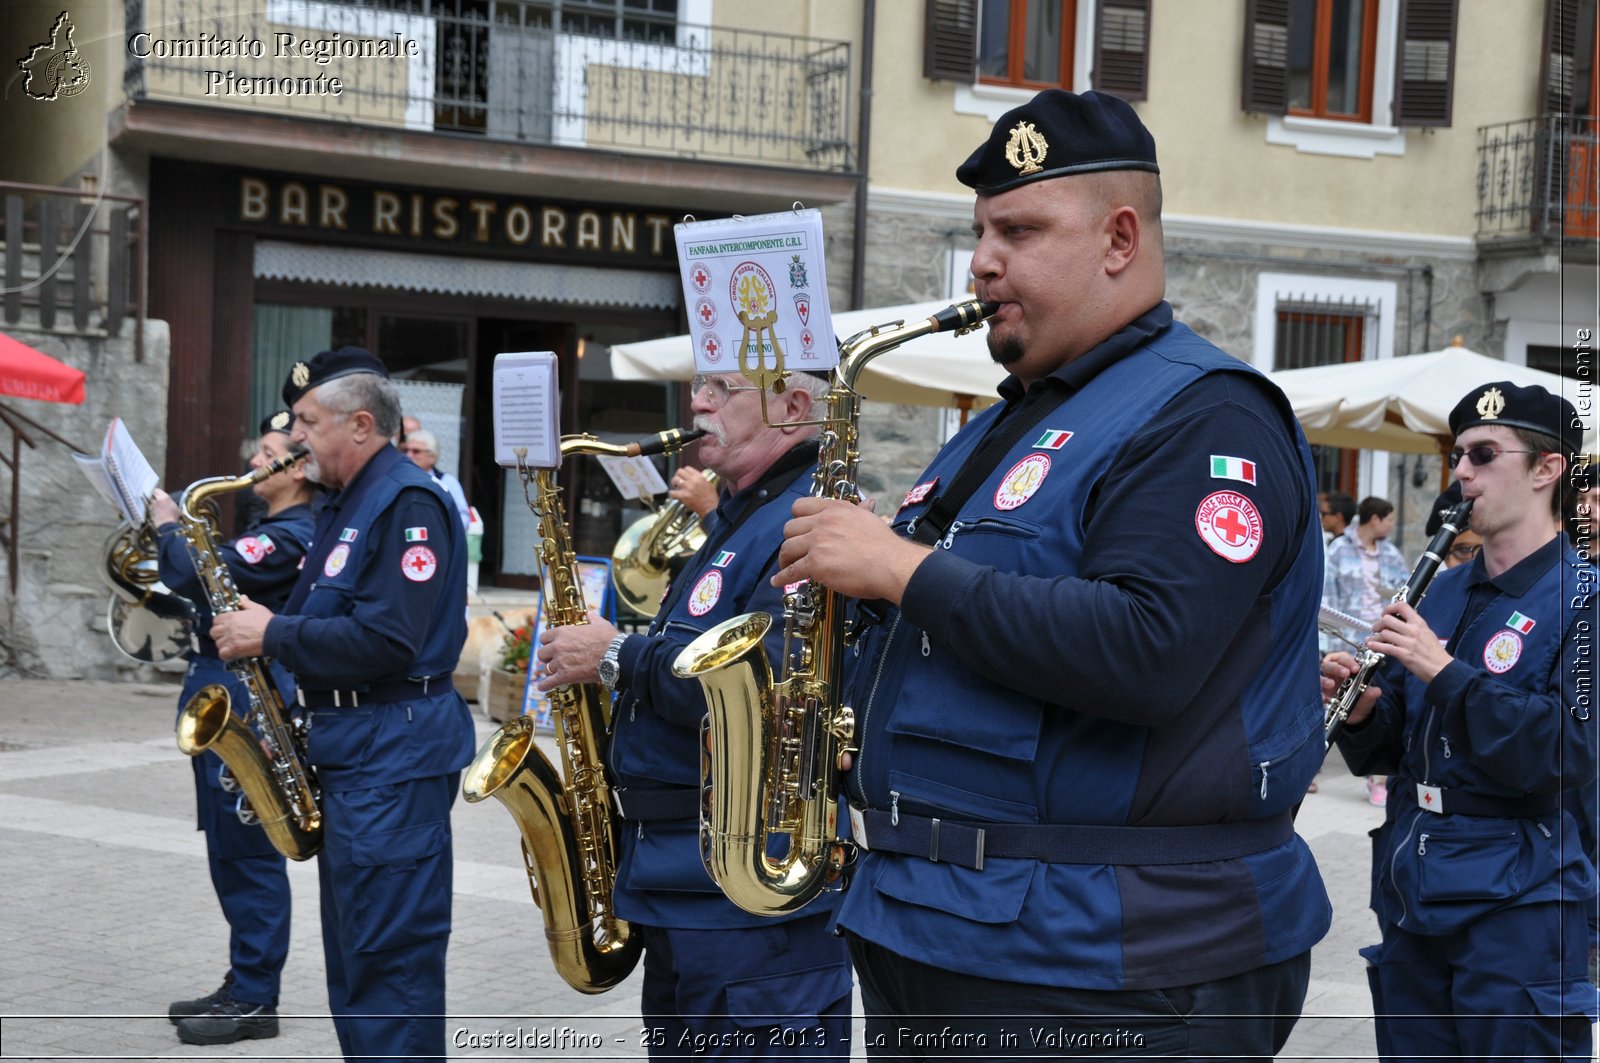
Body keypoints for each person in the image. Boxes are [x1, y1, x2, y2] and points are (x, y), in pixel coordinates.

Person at [771, 89, 1330, 1058]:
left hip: (1105, 961)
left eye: (1020, 230)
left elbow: (1146, 649)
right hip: (953, 927)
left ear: (1120, 239)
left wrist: (899, 569)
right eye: (980, 229)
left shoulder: (1206, 418)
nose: (984, 259)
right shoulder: (1008, 419)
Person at [535, 369, 853, 1059]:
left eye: (720, 387)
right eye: (696, 386)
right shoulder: (743, 515)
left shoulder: (805, 517)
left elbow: (771, 695)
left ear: (794, 406)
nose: (696, 403)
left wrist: (617, 654)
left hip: (746, 898)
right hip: (689, 885)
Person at [210, 347, 476, 1063]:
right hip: (361, 750)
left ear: (361, 424)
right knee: (359, 966)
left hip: (393, 755)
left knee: (389, 968)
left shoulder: (407, 500)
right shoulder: (347, 501)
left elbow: (389, 637)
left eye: (306, 421)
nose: (293, 438)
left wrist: (272, 631)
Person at [1325, 380, 1597, 1059]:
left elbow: (1570, 751)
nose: (1460, 475)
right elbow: (1397, 748)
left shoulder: (1585, 600)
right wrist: (1362, 712)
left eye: (1481, 455)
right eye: (1456, 457)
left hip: (1521, 898)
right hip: (1414, 881)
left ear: (1546, 468)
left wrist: (1444, 672)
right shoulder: (1440, 589)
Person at [153, 410, 316, 1046]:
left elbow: (200, 571)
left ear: (296, 467)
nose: (253, 463)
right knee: (227, 847)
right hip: (221, 687)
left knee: (247, 853)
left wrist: (170, 525)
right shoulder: (272, 525)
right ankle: (243, 979)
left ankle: (255, 996)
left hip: (248, 698)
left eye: (267, 454)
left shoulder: (292, 534)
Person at [1324, 494, 1410, 806]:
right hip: (1347, 640)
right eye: (1388, 519)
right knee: (1342, 706)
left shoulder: (1390, 552)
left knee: (1382, 704)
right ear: (1375, 519)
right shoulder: (1338, 549)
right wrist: (1332, 643)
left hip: (1382, 641)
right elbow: (1328, 595)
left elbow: (1406, 590)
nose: (1390, 524)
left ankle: (1378, 779)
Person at [401, 428, 470, 529]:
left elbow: (463, 518)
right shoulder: (398, 481)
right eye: (406, 450)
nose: (408, 455)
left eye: (416, 451)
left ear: (432, 457)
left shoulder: (447, 482)